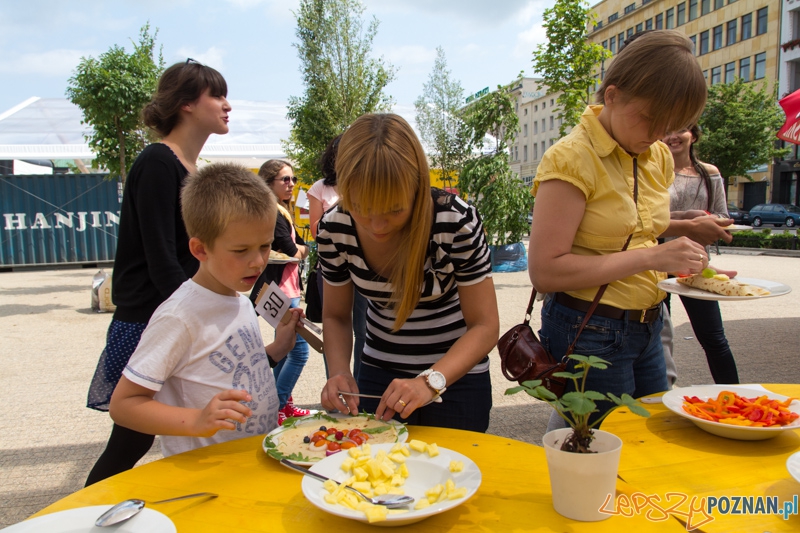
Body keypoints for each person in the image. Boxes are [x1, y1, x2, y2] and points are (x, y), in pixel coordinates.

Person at [528, 30, 733, 427]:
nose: (658, 134)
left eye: (672, 124)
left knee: (649, 439)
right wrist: (657, 255)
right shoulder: (571, 160)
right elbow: (546, 271)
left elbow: (631, 227)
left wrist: (683, 230)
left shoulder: (653, 154)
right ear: (612, 95)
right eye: (651, 119)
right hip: (589, 329)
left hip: (648, 323)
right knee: (603, 450)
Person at [85, 60, 231, 485]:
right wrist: (205, 310)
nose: (227, 105)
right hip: (153, 318)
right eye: (216, 95)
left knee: (160, 433)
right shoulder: (156, 162)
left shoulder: (191, 169)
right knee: (131, 437)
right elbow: (161, 258)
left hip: (180, 314)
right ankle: (77, 516)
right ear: (186, 103)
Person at [317, 113, 499, 433]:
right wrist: (338, 371)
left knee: (452, 480)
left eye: (394, 210)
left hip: (455, 378)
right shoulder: (334, 228)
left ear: (417, 187)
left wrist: (431, 381)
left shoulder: (455, 222)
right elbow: (335, 316)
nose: (377, 227)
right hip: (378, 375)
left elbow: (484, 326)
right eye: (361, 208)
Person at [108, 163, 301, 457]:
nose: (258, 262)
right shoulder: (179, 316)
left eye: (265, 246)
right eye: (240, 250)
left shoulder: (237, 297)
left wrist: (277, 348)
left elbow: (233, 369)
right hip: (204, 475)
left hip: (248, 463)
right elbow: (124, 405)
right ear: (200, 250)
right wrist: (197, 421)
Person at [662, 125, 739, 384]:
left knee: (714, 338)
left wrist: (707, 221)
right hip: (656, 262)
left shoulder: (709, 173)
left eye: (680, 129)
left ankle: (735, 395)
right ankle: (662, 396)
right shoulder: (653, 172)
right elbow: (644, 218)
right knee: (659, 340)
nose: (672, 136)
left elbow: (722, 213)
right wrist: (688, 221)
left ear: (693, 135)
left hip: (696, 263)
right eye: (666, 130)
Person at [249, 159, 314, 424]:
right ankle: (276, 406)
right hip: (279, 292)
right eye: (285, 180)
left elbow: (300, 247)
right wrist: (301, 250)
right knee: (300, 352)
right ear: (269, 182)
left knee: (287, 350)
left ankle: (280, 405)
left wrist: (300, 249)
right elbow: (293, 249)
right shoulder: (271, 211)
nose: (291, 185)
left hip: (287, 289)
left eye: (293, 180)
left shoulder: (282, 211)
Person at [307, 135, 367, 381]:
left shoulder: (366, 184)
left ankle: (363, 388)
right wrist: (341, 211)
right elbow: (314, 229)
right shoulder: (320, 187)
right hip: (331, 267)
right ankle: (336, 384)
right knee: (333, 325)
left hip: (364, 266)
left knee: (364, 331)